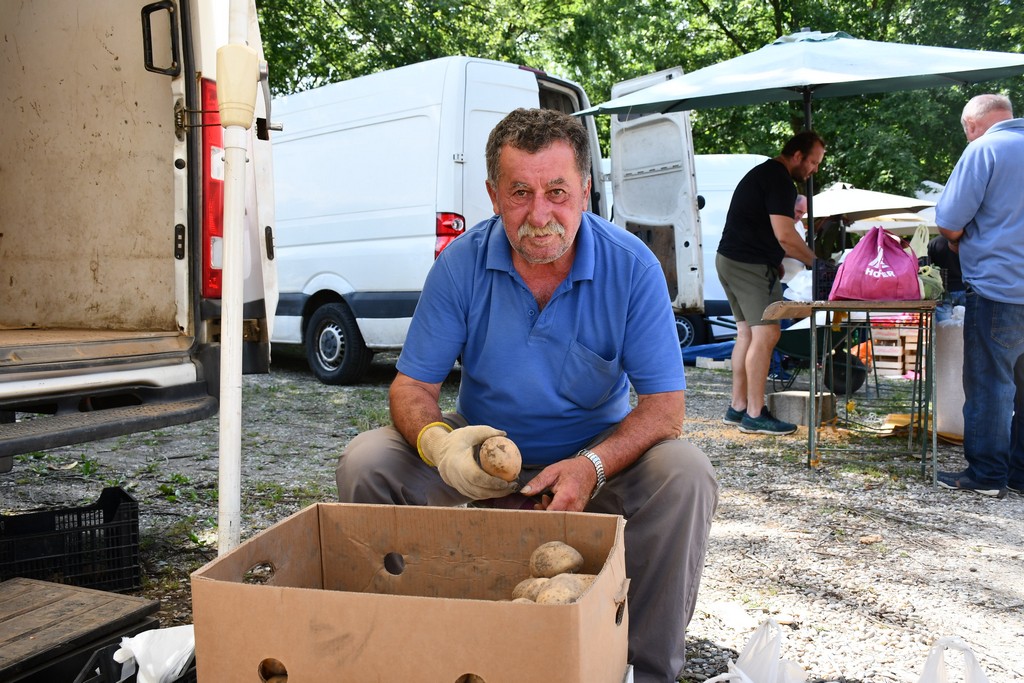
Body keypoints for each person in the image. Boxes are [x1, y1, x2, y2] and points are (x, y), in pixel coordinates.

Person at [335, 108, 719, 682]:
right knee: (366, 461)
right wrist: (441, 446)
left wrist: (591, 465)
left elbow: (665, 409)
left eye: (558, 191)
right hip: (483, 455)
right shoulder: (460, 265)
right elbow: (412, 385)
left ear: (586, 192)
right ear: (494, 195)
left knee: (687, 473)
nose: (540, 215)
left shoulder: (633, 266)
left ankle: (642, 667)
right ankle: (407, 646)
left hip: (596, 464)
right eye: (520, 193)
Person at [934, 93, 1024, 499]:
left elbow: (949, 222)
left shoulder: (984, 149)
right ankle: (1020, 474)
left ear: (972, 125)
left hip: (999, 285)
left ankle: (987, 475)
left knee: (991, 382)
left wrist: (958, 242)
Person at [717, 131, 824, 435]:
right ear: (798, 155)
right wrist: (816, 262)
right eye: (813, 162)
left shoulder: (763, 173)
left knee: (747, 335)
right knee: (767, 334)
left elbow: (759, 226)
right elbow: (786, 236)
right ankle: (754, 413)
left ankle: (737, 408)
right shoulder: (779, 180)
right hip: (748, 264)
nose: (814, 169)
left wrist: (774, 258)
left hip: (729, 259)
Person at [926, 234, 966, 320]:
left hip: (943, 289)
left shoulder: (933, 243)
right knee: (965, 326)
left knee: (944, 325)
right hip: (965, 287)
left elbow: (930, 268)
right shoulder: (966, 241)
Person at [780, 194, 808, 284]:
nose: (800, 216)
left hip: (797, 282)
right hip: (782, 281)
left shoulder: (799, 225)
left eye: (803, 213)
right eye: (798, 211)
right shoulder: (778, 223)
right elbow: (776, 249)